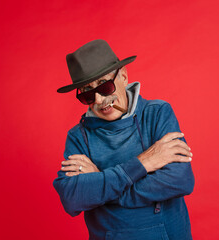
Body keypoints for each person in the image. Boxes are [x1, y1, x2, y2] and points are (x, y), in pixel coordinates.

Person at [53, 39, 195, 240]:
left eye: (104, 86)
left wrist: (101, 183)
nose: (100, 101)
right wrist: (143, 163)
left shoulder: (157, 113)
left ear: (124, 76)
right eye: (88, 95)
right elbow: (73, 199)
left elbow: (181, 181)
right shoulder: (78, 136)